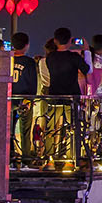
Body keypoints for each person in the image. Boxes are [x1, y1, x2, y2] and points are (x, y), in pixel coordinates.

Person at [42, 27, 88, 167]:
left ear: (55, 41)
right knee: (73, 127)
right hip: (72, 96)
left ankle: (49, 158)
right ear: (70, 41)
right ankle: (71, 159)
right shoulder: (73, 57)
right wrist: (85, 50)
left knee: (51, 128)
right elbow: (87, 70)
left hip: (54, 95)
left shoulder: (50, 58)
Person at [9, 32, 39, 166]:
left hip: (9, 98)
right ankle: (26, 158)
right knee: (25, 130)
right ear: (27, 45)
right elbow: (33, 82)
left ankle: (10, 156)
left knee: (8, 129)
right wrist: (30, 99)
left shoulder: (8, 60)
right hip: (24, 99)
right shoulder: (29, 62)